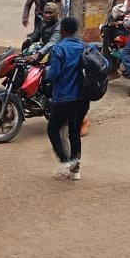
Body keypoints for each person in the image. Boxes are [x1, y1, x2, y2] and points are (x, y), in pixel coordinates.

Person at [43, 16, 89, 180]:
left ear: (62, 30)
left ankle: (66, 161)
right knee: (74, 132)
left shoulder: (59, 49)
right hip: (83, 98)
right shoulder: (85, 47)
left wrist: (45, 73)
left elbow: (53, 74)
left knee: (52, 129)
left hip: (65, 97)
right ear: (76, 31)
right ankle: (75, 170)